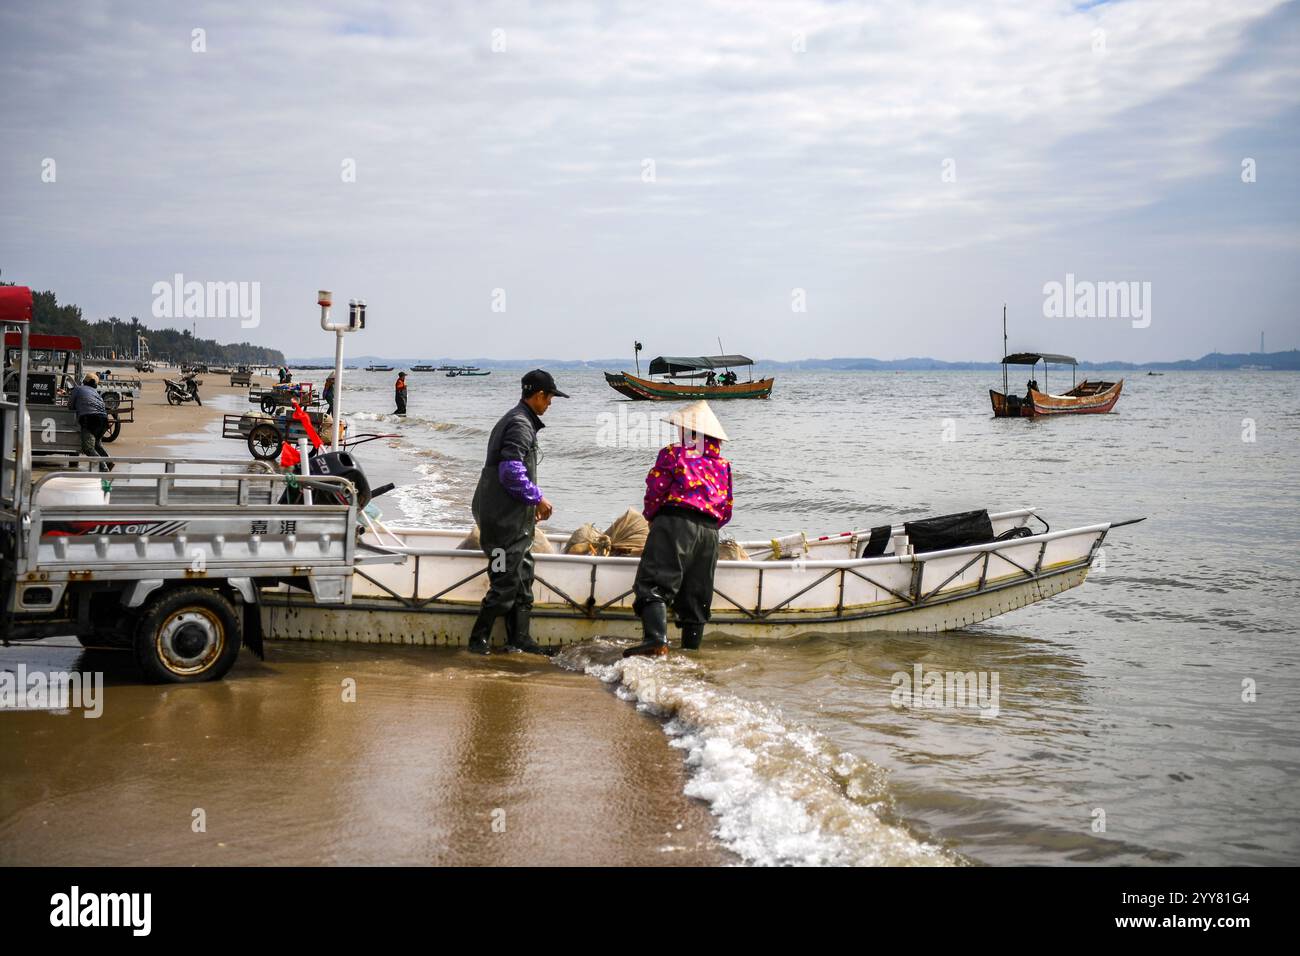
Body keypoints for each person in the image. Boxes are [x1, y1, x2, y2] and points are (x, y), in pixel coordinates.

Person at [468, 369, 568, 655]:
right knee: (504, 581)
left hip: (513, 520)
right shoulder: (520, 424)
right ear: (539, 396)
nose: (550, 404)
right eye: (550, 398)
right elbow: (511, 471)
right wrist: (537, 499)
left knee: (523, 578)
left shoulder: (519, 419)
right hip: (501, 524)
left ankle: (520, 639)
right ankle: (478, 641)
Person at [624, 400, 732, 657]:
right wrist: (708, 527)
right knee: (697, 594)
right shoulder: (722, 465)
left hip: (675, 523)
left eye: (684, 429)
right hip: (709, 533)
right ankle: (691, 652)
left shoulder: (674, 454)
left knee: (655, 583)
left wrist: (652, 517)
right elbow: (727, 508)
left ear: (693, 434)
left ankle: (655, 640)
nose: (679, 434)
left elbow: (656, 489)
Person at [69, 373, 112, 472]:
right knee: (97, 444)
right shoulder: (96, 393)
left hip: (90, 419)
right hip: (104, 420)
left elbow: (70, 406)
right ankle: (109, 461)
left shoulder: (78, 389)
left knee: (88, 448)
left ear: (84, 381)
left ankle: (103, 466)